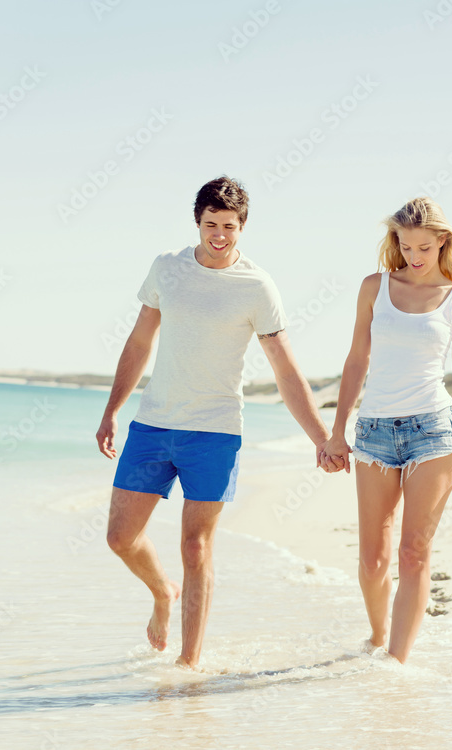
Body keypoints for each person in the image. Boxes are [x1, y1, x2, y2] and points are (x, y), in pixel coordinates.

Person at [95, 176, 337, 670]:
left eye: (229, 226)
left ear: (242, 226)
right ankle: (163, 592)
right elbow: (139, 343)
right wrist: (112, 410)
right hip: (154, 425)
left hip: (215, 432)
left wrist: (322, 437)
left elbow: (285, 368)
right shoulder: (167, 268)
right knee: (120, 537)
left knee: (195, 543)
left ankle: (189, 663)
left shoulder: (257, 286)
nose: (220, 235)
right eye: (211, 225)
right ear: (198, 223)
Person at [320, 197, 452, 664]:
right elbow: (357, 360)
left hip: (433, 431)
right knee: (373, 560)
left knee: (413, 552)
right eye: (406, 245)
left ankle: (396, 664)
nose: (414, 256)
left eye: (424, 247)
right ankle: (377, 638)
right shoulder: (374, 287)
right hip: (373, 430)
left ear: (443, 243)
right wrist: (338, 430)